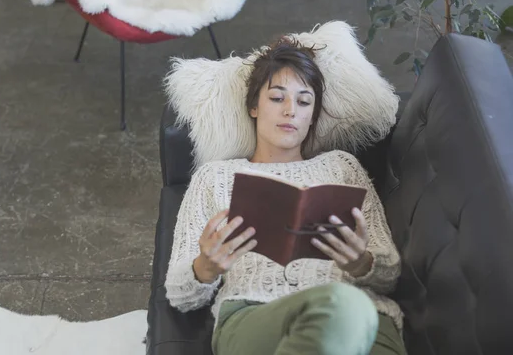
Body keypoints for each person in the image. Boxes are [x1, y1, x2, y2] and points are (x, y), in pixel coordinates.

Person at [164, 36, 406, 355]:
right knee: (344, 305)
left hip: (364, 322)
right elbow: (179, 293)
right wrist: (206, 267)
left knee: (348, 309)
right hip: (256, 318)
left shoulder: (343, 168)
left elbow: (389, 274)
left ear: (312, 116)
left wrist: (361, 262)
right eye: (277, 98)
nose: (291, 111)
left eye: (304, 102)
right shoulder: (215, 177)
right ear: (254, 106)